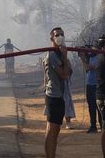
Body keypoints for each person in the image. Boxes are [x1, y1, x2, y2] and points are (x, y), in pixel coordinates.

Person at [43, 27, 72, 158]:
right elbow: (65, 74)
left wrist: (65, 57)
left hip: (60, 95)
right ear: (52, 39)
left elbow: (69, 71)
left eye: (62, 34)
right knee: (51, 130)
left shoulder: (60, 53)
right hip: (53, 96)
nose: (60, 37)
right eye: (57, 35)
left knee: (56, 130)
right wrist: (65, 57)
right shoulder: (53, 55)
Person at [80, 46, 100, 133]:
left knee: (98, 106)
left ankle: (102, 125)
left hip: (96, 85)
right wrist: (83, 57)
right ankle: (93, 125)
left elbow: (88, 68)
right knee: (91, 106)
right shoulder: (90, 58)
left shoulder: (98, 58)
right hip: (89, 85)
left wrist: (82, 59)